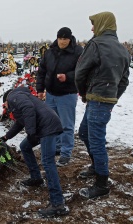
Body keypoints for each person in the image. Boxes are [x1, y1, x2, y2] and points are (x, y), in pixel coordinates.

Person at [75, 11, 131, 199]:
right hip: (103, 100)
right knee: (84, 133)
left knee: (97, 140)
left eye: (94, 24)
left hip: (97, 98)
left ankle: (101, 184)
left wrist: (83, 93)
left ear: (102, 24)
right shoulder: (122, 49)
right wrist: (113, 97)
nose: (92, 28)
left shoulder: (96, 44)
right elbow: (124, 81)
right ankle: (95, 166)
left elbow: (80, 73)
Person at [0, 87, 68, 217]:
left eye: (5, 105)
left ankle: (58, 204)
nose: (6, 108)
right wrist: (6, 137)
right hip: (44, 125)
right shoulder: (19, 98)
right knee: (25, 146)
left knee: (47, 161)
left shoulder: (13, 96)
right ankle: (36, 178)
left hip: (47, 127)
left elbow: (28, 109)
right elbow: (20, 123)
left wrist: (31, 132)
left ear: (6, 99)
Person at [36, 27, 83, 167]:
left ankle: (66, 153)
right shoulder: (50, 52)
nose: (62, 42)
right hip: (51, 94)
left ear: (70, 39)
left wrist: (67, 77)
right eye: (60, 38)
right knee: (52, 123)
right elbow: (42, 71)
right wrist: (40, 89)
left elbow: (82, 71)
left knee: (67, 125)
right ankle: (56, 147)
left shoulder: (78, 52)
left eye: (65, 39)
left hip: (67, 94)